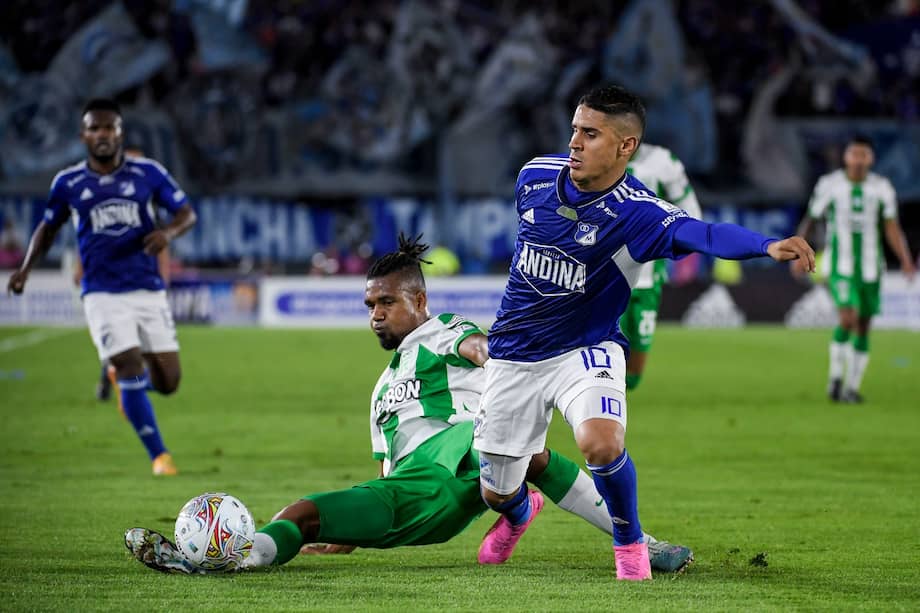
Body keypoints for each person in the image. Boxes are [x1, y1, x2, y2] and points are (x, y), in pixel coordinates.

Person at [125, 235, 694, 574]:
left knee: (520, 444)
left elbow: (479, 348)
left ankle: (637, 541)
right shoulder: (378, 395)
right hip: (422, 500)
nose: (375, 313)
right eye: (369, 304)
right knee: (303, 514)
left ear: (418, 301)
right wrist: (350, 529)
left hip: (473, 456)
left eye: (386, 302)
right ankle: (229, 559)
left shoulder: (440, 329)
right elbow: (387, 474)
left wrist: (508, 362)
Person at [473, 85, 814, 581]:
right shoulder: (534, 177)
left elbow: (707, 234)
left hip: (585, 348)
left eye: (590, 134)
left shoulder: (639, 213)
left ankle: (630, 545)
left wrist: (767, 245)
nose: (575, 142)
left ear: (624, 147)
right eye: (574, 130)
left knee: (601, 443)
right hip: (515, 355)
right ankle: (521, 512)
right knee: (496, 492)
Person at [6, 98, 196, 476]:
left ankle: (127, 387)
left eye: (109, 128)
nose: (102, 135)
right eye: (94, 128)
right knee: (128, 363)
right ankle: (160, 456)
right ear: (83, 136)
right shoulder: (69, 182)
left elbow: (186, 213)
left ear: (120, 133)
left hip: (147, 289)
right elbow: (48, 228)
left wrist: (168, 233)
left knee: (169, 381)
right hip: (102, 292)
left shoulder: (148, 173)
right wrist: (26, 268)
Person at [796, 136, 916, 403]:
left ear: (871, 159)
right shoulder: (830, 185)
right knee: (847, 318)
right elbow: (812, 218)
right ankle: (835, 378)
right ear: (846, 157)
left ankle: (851, 387)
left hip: (872, 268)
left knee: (863, 326)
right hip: (841, 266)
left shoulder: (881, 188)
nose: (859, 160)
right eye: (855, 154)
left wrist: (906, 259)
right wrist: (797, 252)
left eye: (864, 155)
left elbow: (891, 227)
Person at [86, 146, 173, 406]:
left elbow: (162, 245)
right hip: (106, 284)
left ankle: (120, 380)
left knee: (147, 355)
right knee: (122, 343)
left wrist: (163, 276)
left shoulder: (148, 206)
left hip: (141, 284)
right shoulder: (99, 197)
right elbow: (88, 241)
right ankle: (115, 378)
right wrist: (82, 269)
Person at [621, 143, 702, 390]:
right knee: (607, 360)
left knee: (633, 374)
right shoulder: (596, 157)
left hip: (647, 278)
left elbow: (691, 212)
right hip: (609, 277)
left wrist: (688, 252)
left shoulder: (663, 162)